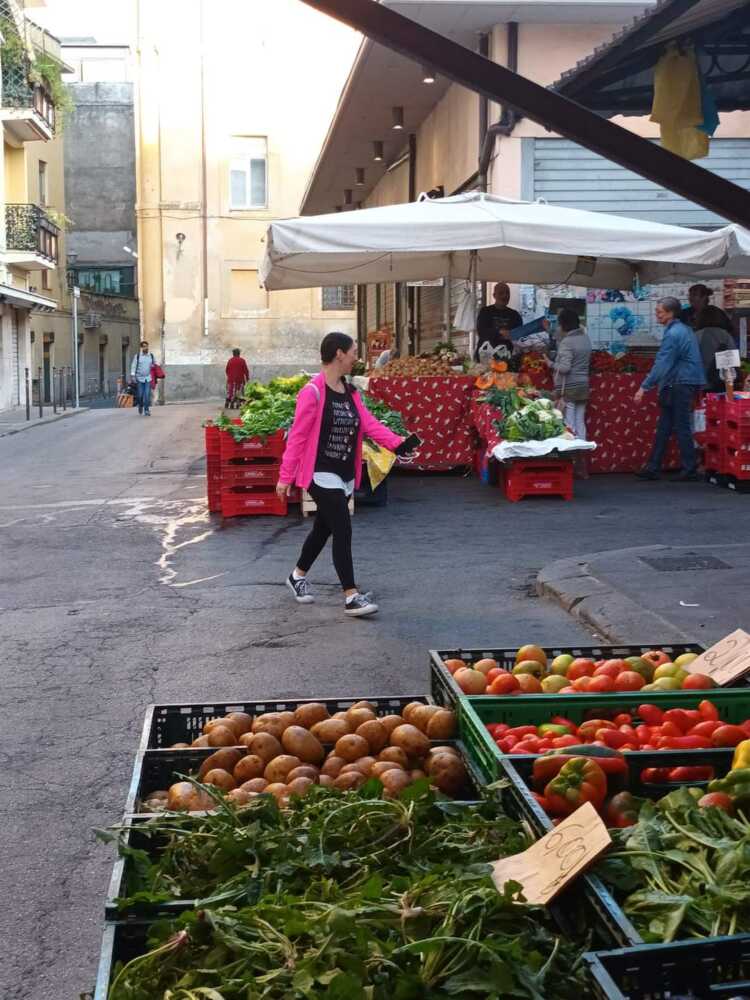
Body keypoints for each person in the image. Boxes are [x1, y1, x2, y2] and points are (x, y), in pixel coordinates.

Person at [276, 332, 411, 618]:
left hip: (343, 472)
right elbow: (297, 438)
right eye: (352, 352)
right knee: (342, 527)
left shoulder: (351, 392)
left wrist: (398, 443)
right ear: (339, 354)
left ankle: (297, 576)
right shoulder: (311, 392)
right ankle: (351, 596)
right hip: (319, 472)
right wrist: (285, 476)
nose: (355, 358)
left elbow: (369, 424)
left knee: (323, 528)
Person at [635, 296, 706, 482]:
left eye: (659, 312)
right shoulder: (683, 329)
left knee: (680, 426)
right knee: (665, 426)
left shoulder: (674, 334)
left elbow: (662, 363)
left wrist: (644, 387)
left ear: (671, 313)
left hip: (679, 383)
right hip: (680, 382)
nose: (656, 315)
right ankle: (653, 466)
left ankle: (689, 468)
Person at [551, 308, 592, 475]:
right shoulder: (585, 338)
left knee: (569, 424)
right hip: (583, 385)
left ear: (564, 325)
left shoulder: (567, 342)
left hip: (570, 387)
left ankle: (571, 462)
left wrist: (550, 363)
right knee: (580, 423)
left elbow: (565, 368)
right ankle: (582, 464)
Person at [475, 282, 522, 362]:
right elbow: (481, 331)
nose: (505, 296)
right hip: (486, 356)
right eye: (501, 293)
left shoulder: (515, 315)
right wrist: (500, 332)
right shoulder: (485, 311)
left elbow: (519, 334)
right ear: (494, 295)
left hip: (507, 357)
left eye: (507, 293)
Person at [695, 305, 737, 393]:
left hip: (701, 384)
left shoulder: (696, 335)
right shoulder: (726, 335)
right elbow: (734, 361)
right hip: (722, 384)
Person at [130, 340, 155, 416]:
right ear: (141, 348)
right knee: (140, 395)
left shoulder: (151, 355)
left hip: (148, 378)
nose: (145, 348)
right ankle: (140, 405)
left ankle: (146, 410)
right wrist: (133, 375)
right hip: (139, 378)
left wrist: (153, 366)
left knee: (147, 395)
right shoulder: (137, 356)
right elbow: (133, 366)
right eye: (144, 346)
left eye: (146, 346)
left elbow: (154, 363)